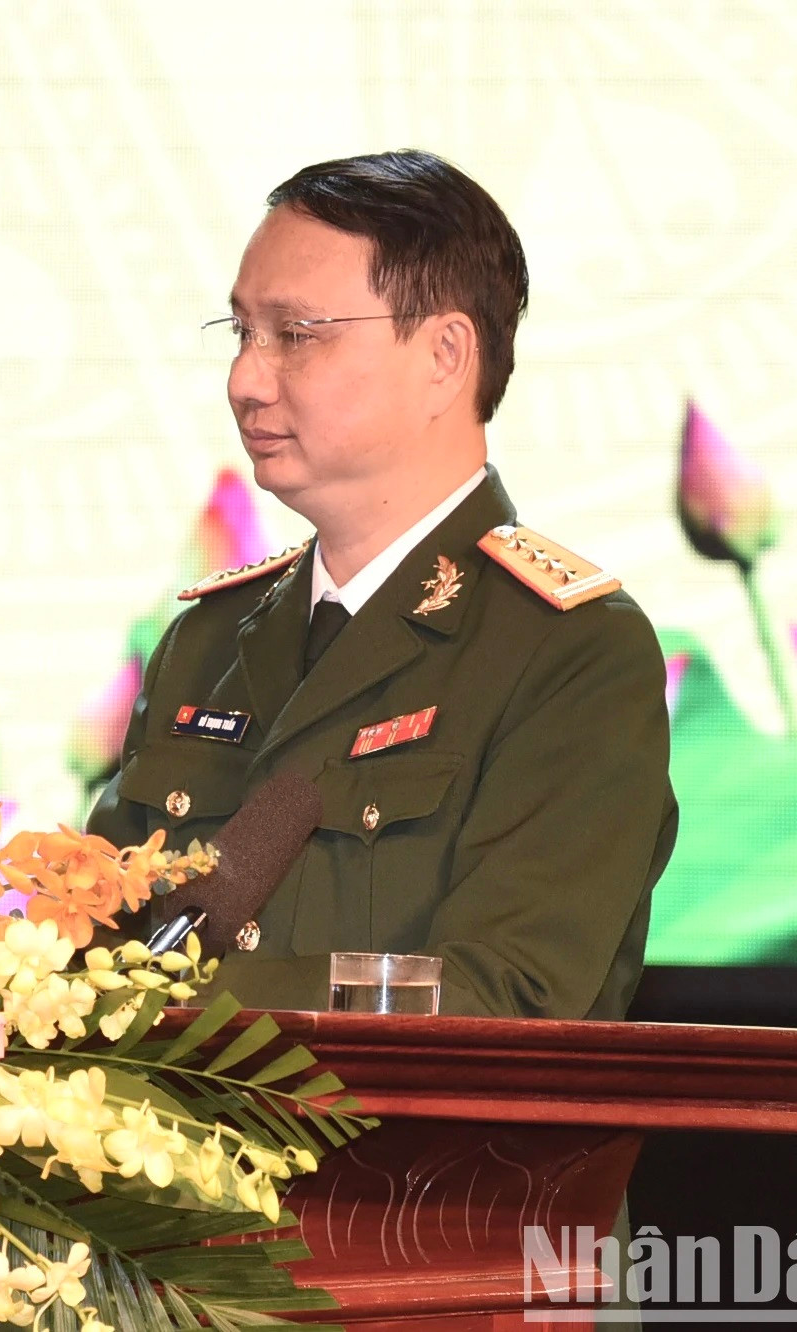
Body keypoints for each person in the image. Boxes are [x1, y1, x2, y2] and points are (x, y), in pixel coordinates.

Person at [86, 150, 677, 1019]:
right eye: (241, 332)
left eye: (295, 334)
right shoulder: (209, 638)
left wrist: (164, 1002)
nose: (245, 379)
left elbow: (504, 999)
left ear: (443, 356)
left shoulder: (570, 653)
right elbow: (90, 938)